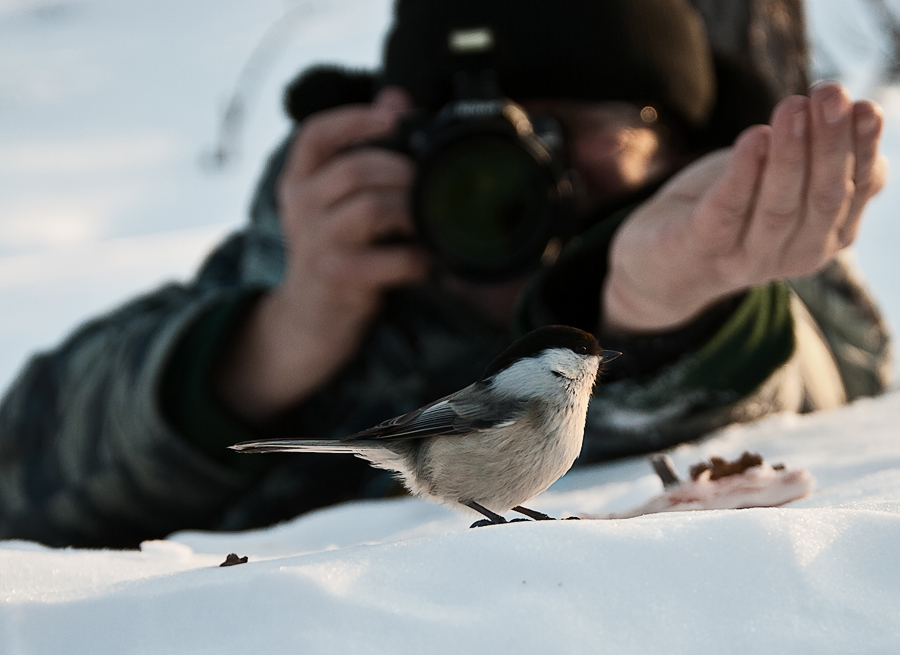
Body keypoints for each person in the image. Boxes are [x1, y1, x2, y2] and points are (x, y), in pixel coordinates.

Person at [0, 0, 891, 547]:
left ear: (679, 144)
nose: (538, 166)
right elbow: (18, 474)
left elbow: (857, 408)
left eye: (593, 122)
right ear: (401, 141)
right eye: (491, 136)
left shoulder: (756, 246)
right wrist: (270, 340)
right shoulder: (303, 266)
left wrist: (683, 318)